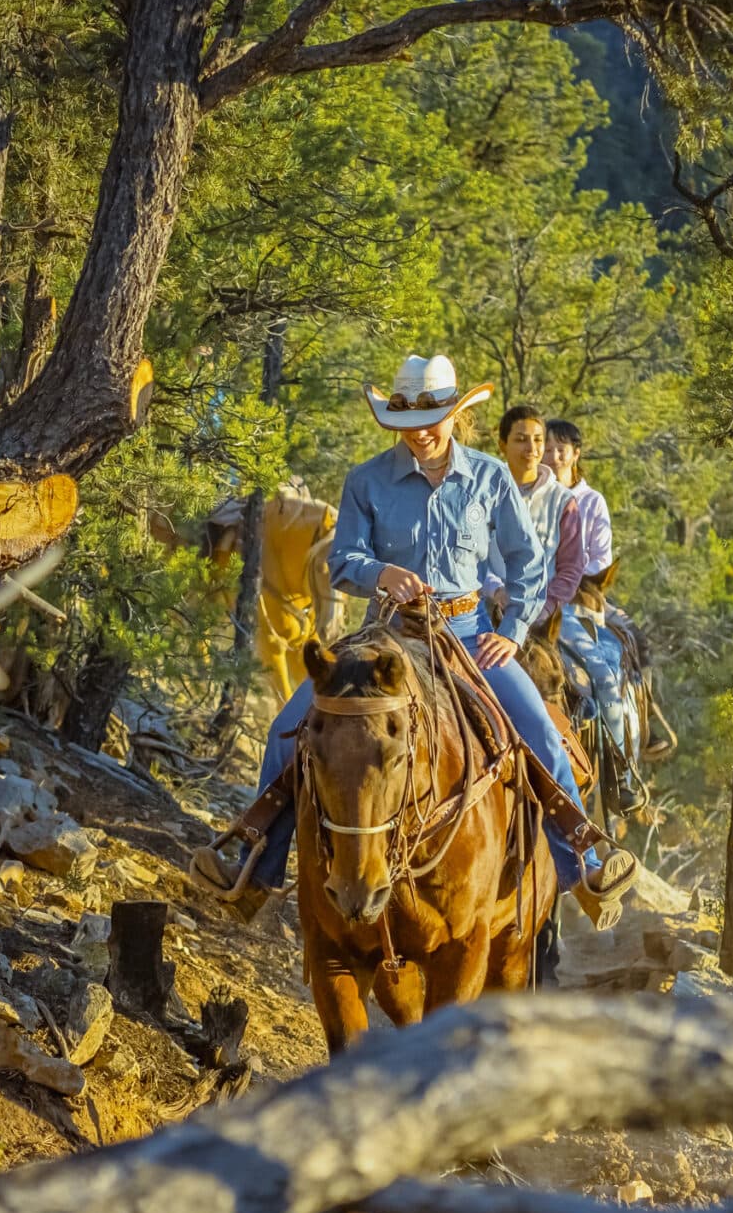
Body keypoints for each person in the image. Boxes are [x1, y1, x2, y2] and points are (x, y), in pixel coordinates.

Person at [188, 353, 639, 924]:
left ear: (456, 416)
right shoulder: (367, 480)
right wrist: (381, 573)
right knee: (288, 729)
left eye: (433, 419)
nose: (421, 433)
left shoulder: (489, 476)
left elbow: (527, 562)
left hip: (472, 634)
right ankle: (258, 871)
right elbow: (342, 562)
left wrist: (514, 630)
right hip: (387, 637)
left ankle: (588, 870)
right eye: (407, 422)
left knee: (542, 735)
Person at [545, 419, 636, 756]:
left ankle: (624, 763)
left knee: (617, 657)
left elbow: (600, 560)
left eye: (560, 450)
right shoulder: (528, 496)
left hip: (581, 594)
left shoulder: (591, 502)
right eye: (547, 449)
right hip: (534, 597)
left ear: (575, 454)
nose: (552, 456)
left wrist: (567, 572)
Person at [485, 404, 565, 632]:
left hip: (548, 613)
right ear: (503, 444)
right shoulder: (481, 495)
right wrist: (496, 590)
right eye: (521, 439)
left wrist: (546, 606)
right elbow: (472, 558)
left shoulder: (563, 500)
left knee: (597, 664)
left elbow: (570, 568)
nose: (531, 448)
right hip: (487, 607)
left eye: (538, 440)